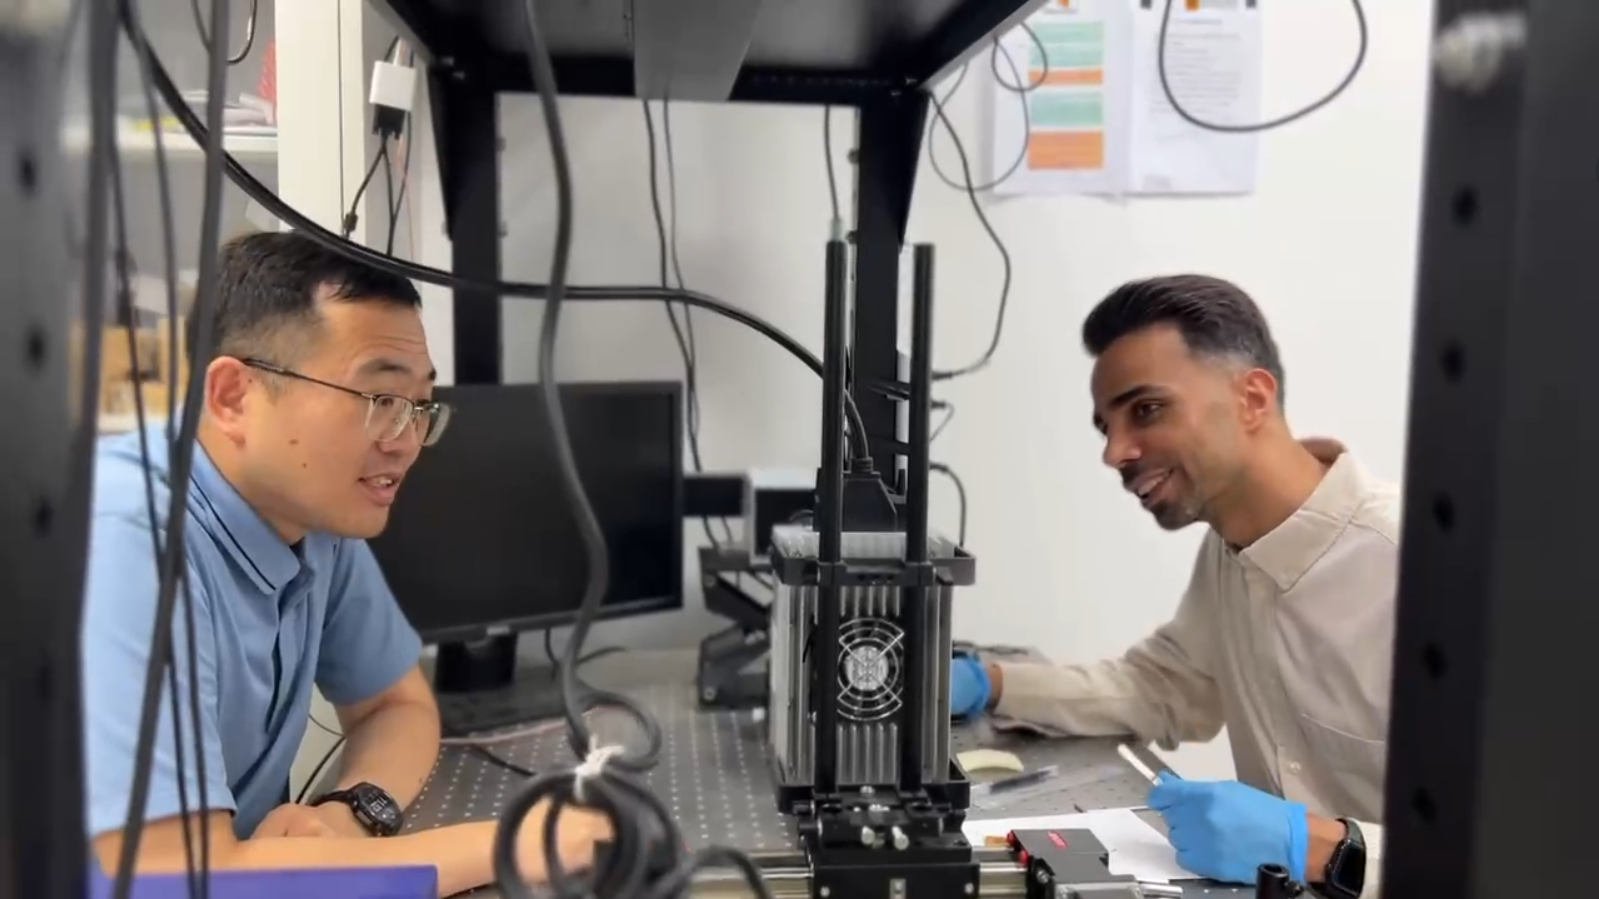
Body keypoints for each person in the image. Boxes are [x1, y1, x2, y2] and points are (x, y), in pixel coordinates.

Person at [82, 231, 608, 896]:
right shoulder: (125, 541)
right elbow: (171, 879)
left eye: (419, 407)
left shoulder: (312, 516)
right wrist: (521, 840)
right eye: (380, 401)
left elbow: (397, 704)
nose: (407, 442)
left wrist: (351, 814)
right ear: (233, 396)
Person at [950, 275, 1397, 898]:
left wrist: (1328, 851)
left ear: (1252, 399)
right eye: (1105, 427)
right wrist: (992, 683)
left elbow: (1531, 847)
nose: (1114, 452)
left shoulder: (1418, 571)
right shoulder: (1231, 551)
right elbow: (1165, 688)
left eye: (1146, 410)